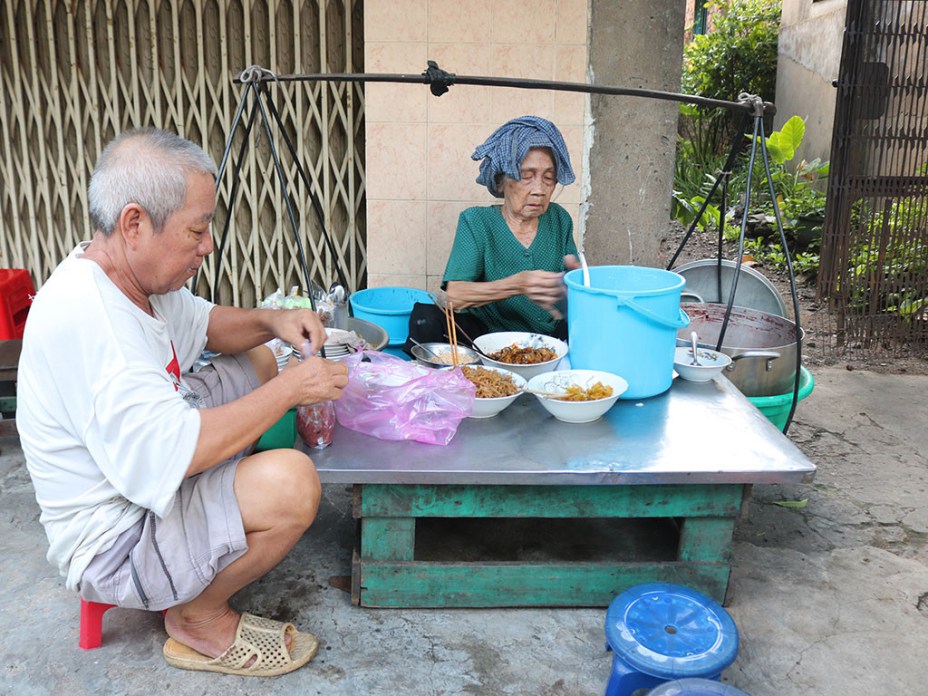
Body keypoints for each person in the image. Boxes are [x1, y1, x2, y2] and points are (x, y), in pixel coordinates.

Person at [16, 128, 349, 676]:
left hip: (147, 458)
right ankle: (196, 614)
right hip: (118, 536)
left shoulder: (128, 276)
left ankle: (228, 508)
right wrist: (291, 390)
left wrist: (272, 322)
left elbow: (205, 324)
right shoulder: (95, 323)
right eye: (197, 229)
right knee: (292, 483)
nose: (208, 245)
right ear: (134, 224)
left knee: (262, 359)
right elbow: (173, 452)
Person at [404, 116, 581, 354]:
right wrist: (519, 284)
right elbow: (455, 296)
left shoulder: (559, 219)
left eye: (548, 178)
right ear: (501, 182)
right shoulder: (477, 221)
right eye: (526, 176)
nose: (539, 190)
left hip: (547, 339)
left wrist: (576, 284)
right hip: (486, 337)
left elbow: (571, 288)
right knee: (428, 321)